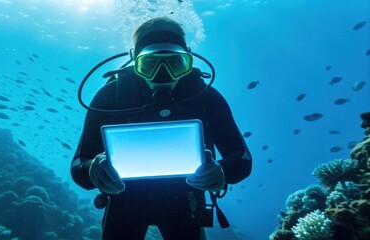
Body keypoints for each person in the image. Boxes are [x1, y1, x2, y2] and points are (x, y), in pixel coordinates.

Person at [71, 17, 252, 240]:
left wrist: (221, 171)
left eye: (175, 63)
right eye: (149, 65)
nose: (162, 75)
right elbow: (79, 165)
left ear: (188, 62)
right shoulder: (111, 96)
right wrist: (92, 169)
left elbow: (242, 159)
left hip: (185, 199)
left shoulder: (205, 98)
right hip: (124, 199)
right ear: (135, 62)